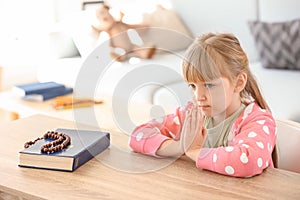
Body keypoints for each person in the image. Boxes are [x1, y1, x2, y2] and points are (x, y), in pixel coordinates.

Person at [129, 33, 277, 177]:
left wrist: (194, 151)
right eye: (193, 86)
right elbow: (138, 135)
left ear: (238, 83)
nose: (198, 97)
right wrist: (180, 147)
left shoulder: (258, 120)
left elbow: (247, 162)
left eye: (209, 85)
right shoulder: (192, 115)